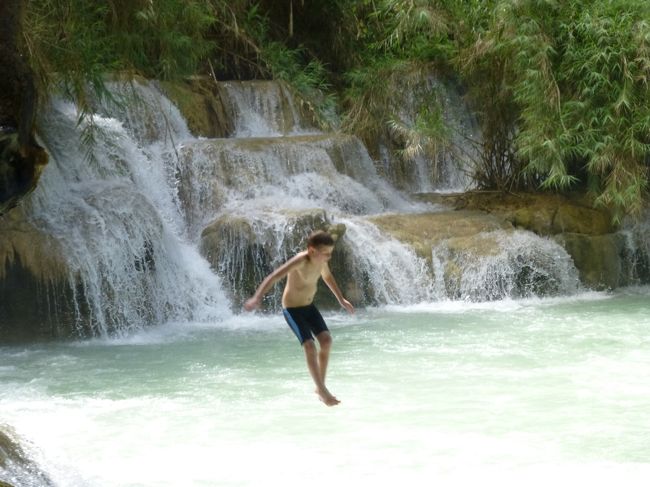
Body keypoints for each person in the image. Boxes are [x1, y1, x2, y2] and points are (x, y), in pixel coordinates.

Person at [244, 230, 354, 406]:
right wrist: (257, 297)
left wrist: (341, 299)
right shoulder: (300, 261)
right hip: (292, 310)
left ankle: (320, 386)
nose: (328, 257)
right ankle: (322, 391)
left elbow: (327, 277)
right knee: (309, 346)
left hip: (309, 307)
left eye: (330, 253)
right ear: (312, 251)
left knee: (326, 341)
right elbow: (273, 277)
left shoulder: (321, 261)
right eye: (325, 253)